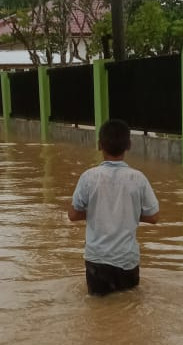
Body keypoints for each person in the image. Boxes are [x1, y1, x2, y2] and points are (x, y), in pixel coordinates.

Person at [68, 119, 159, 296]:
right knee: (129, 309)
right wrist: (128, 212)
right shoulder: (138, 179)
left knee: (97, 313)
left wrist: (97, 211)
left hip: (97, 261)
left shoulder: (88, 177)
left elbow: (72, 215)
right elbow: (154, 217)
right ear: (129, 145)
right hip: (127, 260)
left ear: (99, 145)